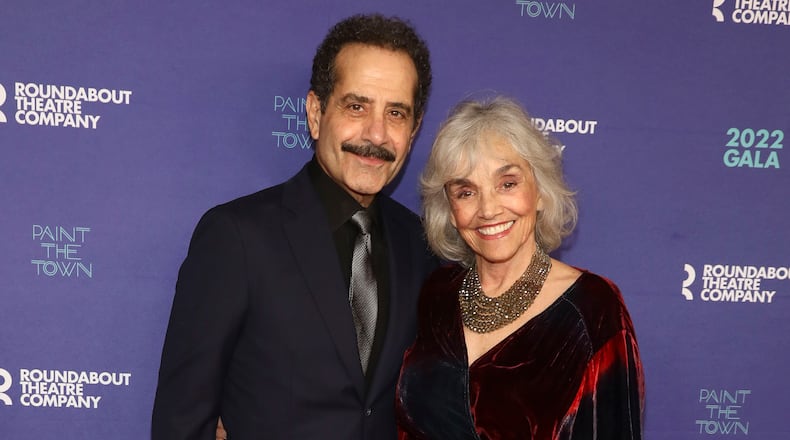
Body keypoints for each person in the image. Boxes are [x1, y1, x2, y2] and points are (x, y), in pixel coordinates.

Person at [152, 14, 437, 439]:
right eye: (356, 106)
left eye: (396, 113)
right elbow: (182, 421)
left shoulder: (423, 247)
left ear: (413, 132)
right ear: (316, 112)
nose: (376, 134)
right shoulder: (236, 237)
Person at [395, 97, 644, 439]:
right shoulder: (435, 296)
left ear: (539, 191)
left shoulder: (592, 309)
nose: (488, 209)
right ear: (451, 210)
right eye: (466, 192)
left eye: (507, 184)